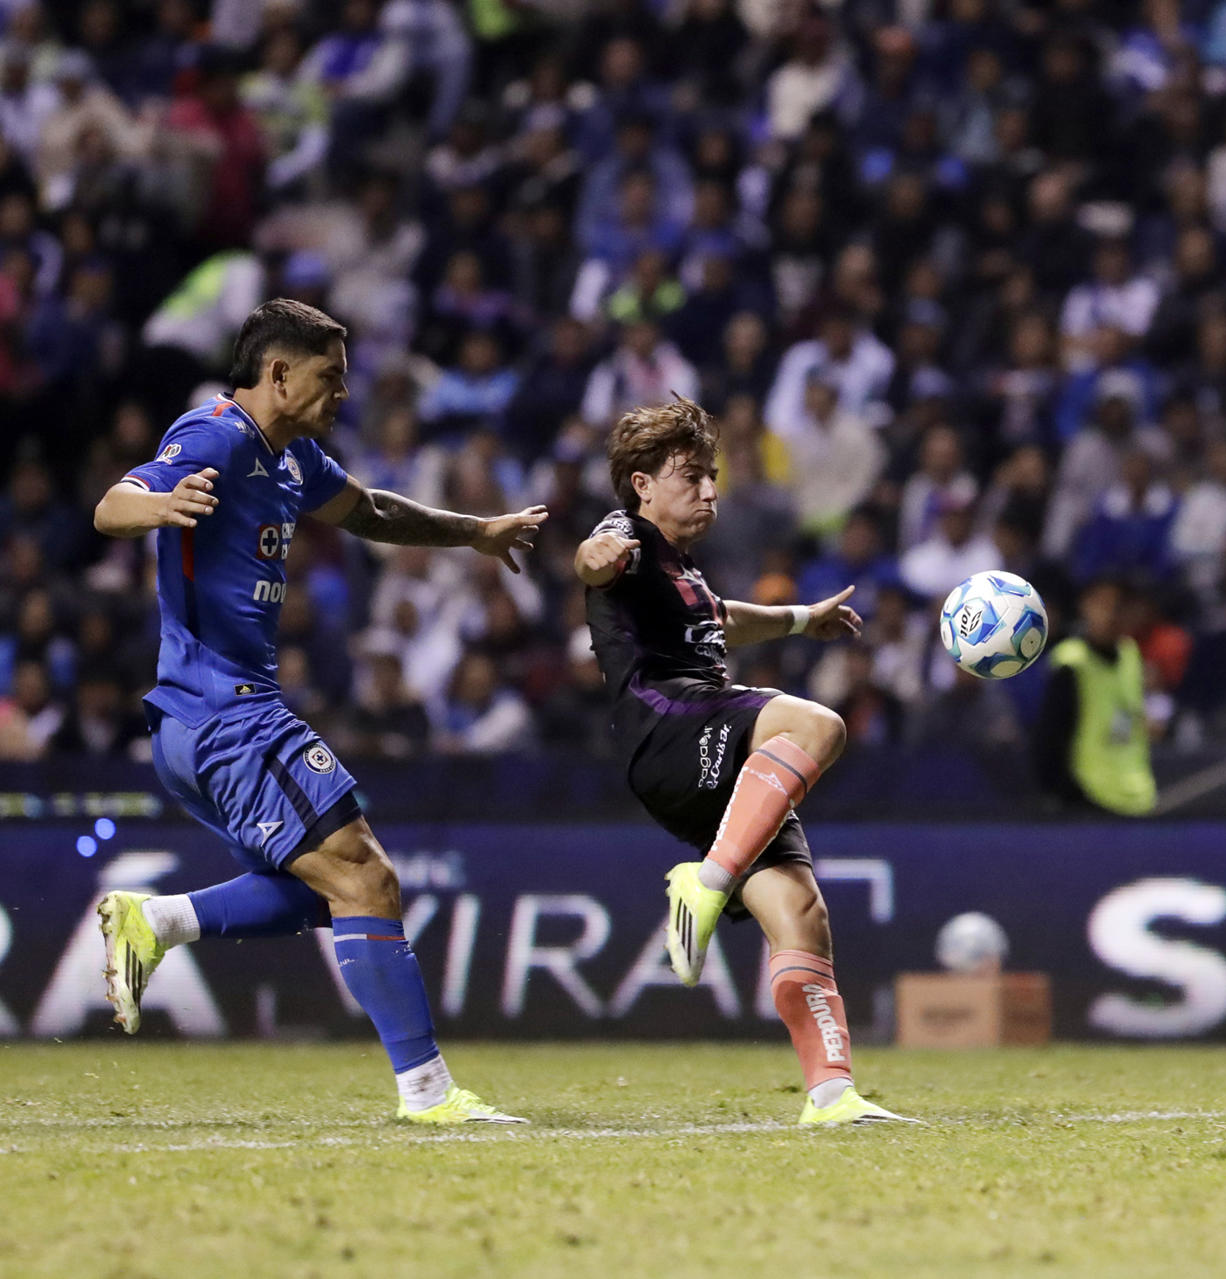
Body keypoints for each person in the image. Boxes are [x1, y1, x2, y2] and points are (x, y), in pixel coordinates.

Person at [91, 299, 547, 1125]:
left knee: (324, 889)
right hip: (225, 712)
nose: (343, 394)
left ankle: (155, 919)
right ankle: (429, 1094)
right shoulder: (216, 434)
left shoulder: (294, 457)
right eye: (330, 379)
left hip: (205, 724)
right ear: (278, 373)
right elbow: (113, 502)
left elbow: (370, 510)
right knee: (367, 874)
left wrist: (477, 531)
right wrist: (154, 507)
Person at [571, 396, 910, 1127]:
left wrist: (801, 617)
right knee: (817, 725)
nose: (710, 490)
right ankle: (707, 882)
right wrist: (597, 556)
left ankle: (831, 1094)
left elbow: (719, 615)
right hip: (667, 727)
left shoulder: (682, 569)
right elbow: (593, 558)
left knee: (801, 912)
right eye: (691, 476)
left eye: (713, 476)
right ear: (642, 484)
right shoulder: (626, 532)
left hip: (708, 755)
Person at [1033, 578, 1157, 816]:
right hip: (1089, 800)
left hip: (1137, 797)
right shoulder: (1071, 663)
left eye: (1118, 606)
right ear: (1084, 606)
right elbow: (1048, 741)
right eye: (1102, 604)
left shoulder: (1131, 655)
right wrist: (1067, 795)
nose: (1110, 614)